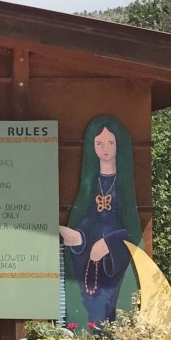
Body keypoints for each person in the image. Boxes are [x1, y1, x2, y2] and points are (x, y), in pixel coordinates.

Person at [58, 115, 143, 324]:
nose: (105, 148)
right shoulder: (90, 185)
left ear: (118, 145)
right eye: (99, 143)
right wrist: (77, 237)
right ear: (91, 146)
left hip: (114, 265)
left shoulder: (123, 188)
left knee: (109, 311)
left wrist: (109, 243)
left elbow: (132, 231)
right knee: (88, 309)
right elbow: (87, 221)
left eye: (110, 143)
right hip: (88, 262)